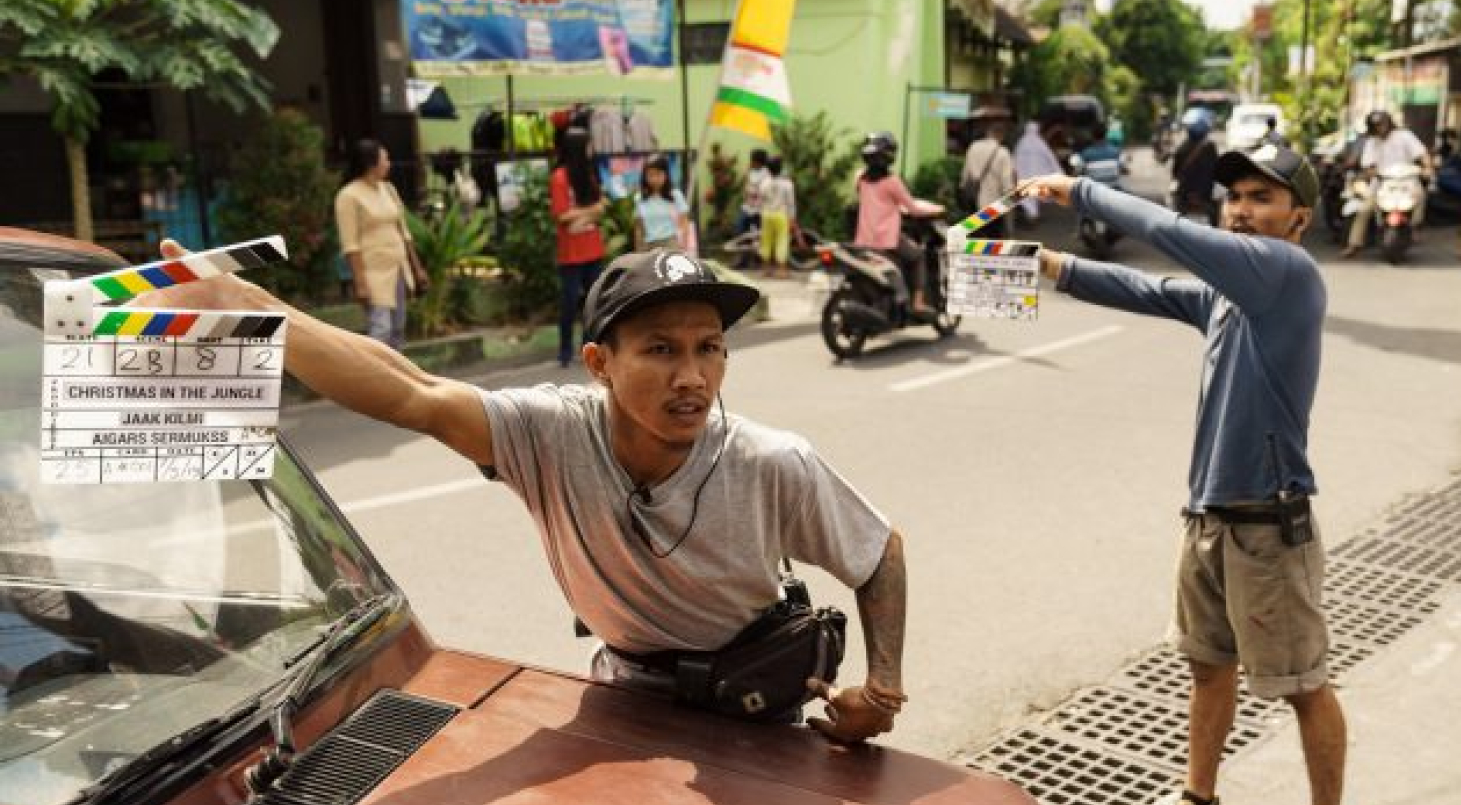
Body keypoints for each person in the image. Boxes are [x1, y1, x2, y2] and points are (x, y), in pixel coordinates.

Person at [138, 245, 909, 745]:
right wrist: (247, 307)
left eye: (710, 348)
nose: (693, 378)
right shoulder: (549, 433)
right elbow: (411, 392)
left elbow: (881, 554)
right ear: (600, 363)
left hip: (757, 710)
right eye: (662, 350)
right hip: (623, 699)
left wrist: (880, 689)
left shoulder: (773, 461)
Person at [1018, 144, 1346, 805]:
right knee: (1207, 666)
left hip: (1266, 527)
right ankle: (1199, 795)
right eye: (1236, 197)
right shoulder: (1230, 295)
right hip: (1208, 517)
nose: (1243, 211)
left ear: (1298, 218)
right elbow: (1147, 288)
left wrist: (1079, 192)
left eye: (1262, 198)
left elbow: (1171, 234)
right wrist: (1045, 264)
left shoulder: (1286, 272)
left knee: (1303, 685)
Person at [334, 139, 429, 350]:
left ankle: (397, 377)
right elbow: (350, 244)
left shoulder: (389, 190)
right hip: (372, 272)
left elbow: (403, 231)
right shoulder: (348, 196)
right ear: (371, 164)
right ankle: (372, 377)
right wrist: (359, 282)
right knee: (381, 328)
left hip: (398, 268)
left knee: (398, 327)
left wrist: (417, 267)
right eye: (385, 159)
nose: (389, 164)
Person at [853, 131, 941, 317]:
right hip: (886, 240)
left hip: (863, 240)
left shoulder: (860, 178)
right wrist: (937, 210)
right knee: (918, 256)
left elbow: (876, 201)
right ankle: (917, 303)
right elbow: (914, 209)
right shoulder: (892, 182)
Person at [550, 126, 608, 367]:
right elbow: (562, 216)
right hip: (571, 253)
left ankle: (588, 349)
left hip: (593, 249)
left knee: (592, 302)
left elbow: (602, 207)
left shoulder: (589, 174)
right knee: (569, 302)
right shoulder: (560, 177)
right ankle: (565, 352)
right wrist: (589, 213)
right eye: (587, 145)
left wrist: (581, 217)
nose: (590, 150)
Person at [1341, 110, 1432, 258]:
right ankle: (1354, 244)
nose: (1380, 128)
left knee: (1420, 196)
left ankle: (1415, 226)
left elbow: (1422, 154)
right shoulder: (1371, 142)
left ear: (1389, 123)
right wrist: (1370, 172)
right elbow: (1368, 165)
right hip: (1382, 184)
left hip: (1406, 183)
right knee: (1364, 210)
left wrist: (1428, 168)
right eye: (1376, 125)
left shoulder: (1404, 136)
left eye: (1382, 124)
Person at [961, 110, 1017, 227]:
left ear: (987, 133)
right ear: (1001, 135)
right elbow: (1007, 184)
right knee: (994, 239)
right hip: (994, 207)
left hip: (974, 204)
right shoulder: (1003, 152)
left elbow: (965, 176)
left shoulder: (973, 147)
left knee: (977, 238)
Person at [1172, 112, 1221, 227]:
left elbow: (1175, 172)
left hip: (1184, 197)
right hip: (1204, 197)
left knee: (1174, 222)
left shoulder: (1182, 148)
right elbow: (1215, 172)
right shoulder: (1210, 147)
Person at [633, 154, 690, 253]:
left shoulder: (675, 195)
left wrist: (684, 248)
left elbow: (684, 223)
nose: (654, 179)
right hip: (648, 246)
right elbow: (639, 228)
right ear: (645, 176)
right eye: (650, 175)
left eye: (658, 174)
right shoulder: (639, 198)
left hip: (670, 243)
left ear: (666, 174)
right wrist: (639, 252)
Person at [1013, 120, 1064, 225]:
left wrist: (1014, 171)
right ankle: (1032, 216)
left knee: (1025, 195)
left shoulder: (1021, 142)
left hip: (1023, 173)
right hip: (1036, 173)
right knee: (1032, 194)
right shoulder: (1039, 143)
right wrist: (1059, 171)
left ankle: (1031, 215)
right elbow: (1050, 158)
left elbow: (1015, 158)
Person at [758, 156, 797, 278]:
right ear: (780, 169)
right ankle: (781, 271)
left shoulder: (764, 183)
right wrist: (792, 218)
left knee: (766, 240)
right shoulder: (787, 183)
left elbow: (761, 200)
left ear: (768, 170)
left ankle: (766, 269)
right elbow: (791, 203)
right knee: (782, 240)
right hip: (781, 214)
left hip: (766, 214)